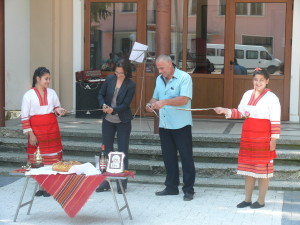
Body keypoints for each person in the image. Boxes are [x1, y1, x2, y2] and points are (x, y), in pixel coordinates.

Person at [214, 68, 281, 209]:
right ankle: (247, 199)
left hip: (264, 139)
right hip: (248, 137)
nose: (258, 82)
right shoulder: (247, 94)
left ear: (267, 81)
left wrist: (273, 140)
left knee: (263, 170)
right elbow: (241, 113)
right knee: (249, 169)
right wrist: (225, 110)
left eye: (261, 80)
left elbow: (275, 121)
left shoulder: (272, 98)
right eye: (255, 79)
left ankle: (261, 200)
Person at [146, 54, 196, 201]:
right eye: (158, 68)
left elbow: (184, 99)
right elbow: (155, 97)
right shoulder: (159, 79)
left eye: (162, 68)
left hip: (181, 125)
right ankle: (171, 187)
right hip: (165, 124)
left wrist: (165, 102)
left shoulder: (184, 77)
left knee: (186, 157)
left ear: (170, 64)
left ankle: (188, 189)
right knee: (168, 157)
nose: (160, 71)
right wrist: (150, 104)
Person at [21, 67, 66, 197]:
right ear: (38, 78)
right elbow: (24, 117)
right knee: (39, 158)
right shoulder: (28, 95)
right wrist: (31, 134)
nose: (48, 81)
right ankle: (41, 186)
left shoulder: (52, 93)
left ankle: (49, 187)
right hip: (37, 130)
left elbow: (56, 108)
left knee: (51, 158)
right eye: (46, 79)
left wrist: (59, 110)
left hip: (52, 129)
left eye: (49, 79)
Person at [97, 59, 136, 194]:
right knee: (106, 150)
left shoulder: (131, 84)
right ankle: (104, 182)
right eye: (117, 72)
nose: (118, 75)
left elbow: (125, 104)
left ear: (126, 72)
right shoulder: (109, 79)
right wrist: (103, 105)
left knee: (122, 151)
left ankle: (122, 183)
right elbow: (101, 94)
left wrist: (113, 109)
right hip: (108, 120)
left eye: (121, 73)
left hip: (123, 121)